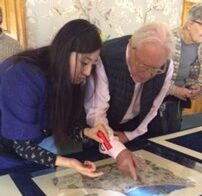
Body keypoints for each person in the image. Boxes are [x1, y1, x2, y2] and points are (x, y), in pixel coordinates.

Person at [0, 19, 109, 177]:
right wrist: (69, 162)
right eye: (85, 62)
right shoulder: (22, 76)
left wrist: (87, 132)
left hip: (36, 147)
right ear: (64, 52)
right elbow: (22, 145)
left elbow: (59, 123)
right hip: (7, 153)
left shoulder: (65, 77)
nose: (87, 72)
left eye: (93, 65)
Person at [84, 22, 174, 179]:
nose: (147, 74)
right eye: (142, 64)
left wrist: (130, 135)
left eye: (155, 69)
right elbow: (95, 113)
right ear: (131, 45)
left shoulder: (166, 66)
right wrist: (117, 149)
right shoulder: (106, 57)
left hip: (133, 131)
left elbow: (153, 107)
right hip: (99, 131)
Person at [150, 3, 202, 134]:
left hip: (177, 103)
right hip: (154, 100)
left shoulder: (200, 47)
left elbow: (193, 76)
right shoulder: (165, 41)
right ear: (189, 24)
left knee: (172, 135)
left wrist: (197, 88)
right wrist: (174, 90)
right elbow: (149, 76)